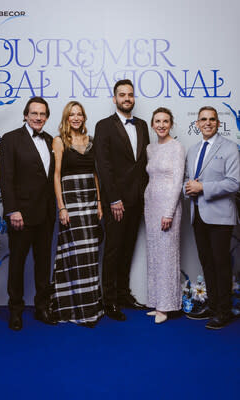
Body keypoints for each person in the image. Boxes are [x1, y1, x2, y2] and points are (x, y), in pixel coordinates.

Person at [0, 97, 56, 331]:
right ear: (25, 115)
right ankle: (16, 311)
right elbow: (6, 177)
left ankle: (42, 308)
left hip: (46, 215)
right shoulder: (11, 139)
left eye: (42, 114)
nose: (38, 118)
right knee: (18, 265)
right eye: (34, 113)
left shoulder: (51, 140)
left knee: (43, 264)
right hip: (20, 215)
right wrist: (13, 210)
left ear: (46, 117)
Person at [94, 79, 150, 321]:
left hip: (137, 199)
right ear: (114, 98)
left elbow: (143, 164)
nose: (127, 98)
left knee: (128, 248)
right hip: (116, 201)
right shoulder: (104, 125)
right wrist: (114, 199)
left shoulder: (143, 125)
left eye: (130, 95)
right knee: (113, 250)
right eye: (122, 95)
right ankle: (109, 300)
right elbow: (103, 165)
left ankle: (123, 293)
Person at [184, 106, 240, 329]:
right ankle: (213, 306)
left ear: (218, 123)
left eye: (212, 119)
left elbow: (234, 183)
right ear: (197, 123)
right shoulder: (193, 150)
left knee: (221, 264)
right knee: (207, 263)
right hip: (197, 215)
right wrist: (187, 188)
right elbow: (189, 179)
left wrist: (202, 187)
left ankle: (224, 312)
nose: (207, 123)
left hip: (220, 217)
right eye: (203, 119)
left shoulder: (229, 148)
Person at [51, 101, 103, 327]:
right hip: (71, 202)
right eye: (72, 114)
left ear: (84, 117)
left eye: (79, 114)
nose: (76, 118)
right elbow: (57, 175)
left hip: (90, 202)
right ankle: (72, 309)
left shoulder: (91, 141)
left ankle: (91, 307)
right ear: (66, 117)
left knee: (90, 255)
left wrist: (99, 202)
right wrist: (61, 207)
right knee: (73, 255)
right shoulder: (59, 140)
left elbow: (95, 174)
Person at [144, 108, 185, 324]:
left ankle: (167, 305)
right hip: (151, 205)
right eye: (157, 121)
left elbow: (178, 182)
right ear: (152, 125)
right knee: (154, 253)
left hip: (168, 206)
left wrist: (169, 212)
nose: (161, 125)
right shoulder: (150, 148)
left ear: (171, 124)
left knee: (167, 254)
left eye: (165, 121)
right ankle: (157, 302)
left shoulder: (177, 147)